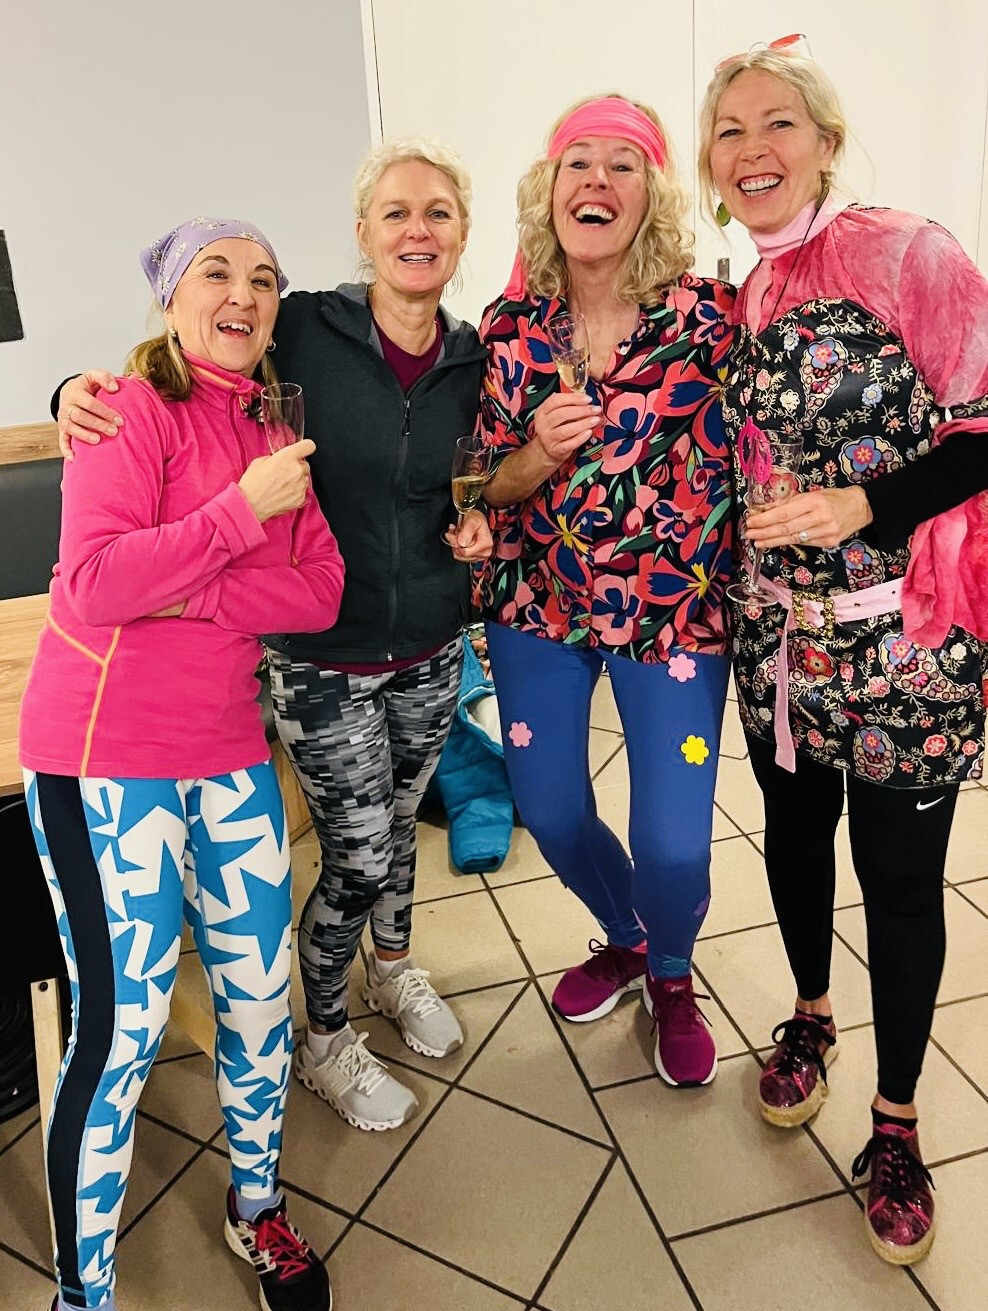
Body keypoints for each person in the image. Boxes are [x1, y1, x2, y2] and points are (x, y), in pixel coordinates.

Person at [54, 138, 492, 1135]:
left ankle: (392, 969)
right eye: (395, 211)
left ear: (462, 233)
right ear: (363, 232)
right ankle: (325, 1037)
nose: (416, 230)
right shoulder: (299, 326)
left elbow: (487, 469)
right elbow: (190, 347)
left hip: (432, 641)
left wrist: (482, 521)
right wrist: (71, 390)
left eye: (437, 212)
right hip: (319, 657)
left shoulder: (478, 354)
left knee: (402, 827)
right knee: (357, 853)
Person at [698, 41, 988, 1264]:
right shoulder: (741, 292)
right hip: (778, 642)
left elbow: (983, 427)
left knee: (903, 882)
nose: (752, 149)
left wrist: (866, 503)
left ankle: (898, 1121)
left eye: (777, 124)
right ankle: (810, 1018)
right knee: (794, 835)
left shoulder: (907, 253)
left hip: (904, 647)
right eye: (728, 131)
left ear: (823, 141)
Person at [22, 218, 343, 1311]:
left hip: (228, 756)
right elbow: (95, 586)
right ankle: (84, 1294)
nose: (243, 293)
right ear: (171, 295)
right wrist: (238, 517)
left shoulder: (274, 428)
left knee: (258, 1001)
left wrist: (189, 584)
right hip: (104, 761)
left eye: (264, 279)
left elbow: (320, 591)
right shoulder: (121, 409)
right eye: (218, 272)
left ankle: (259, 1208)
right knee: (124, 1032)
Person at [478, 95, 736, 1088]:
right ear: (549, 192)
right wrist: (534, 456)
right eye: (576, 162)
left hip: (674, 615)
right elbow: (482, 484)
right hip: (537, 608)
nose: (595, 180)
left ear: (652, 194)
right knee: (548, 810)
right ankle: (630, 937)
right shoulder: (509, 330)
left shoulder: (711, 320)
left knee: (673, 843)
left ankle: (671, 968)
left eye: (621, 163)